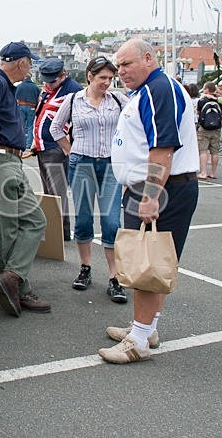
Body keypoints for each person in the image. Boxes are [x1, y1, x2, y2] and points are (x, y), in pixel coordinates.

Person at [101, 38, 199, 364]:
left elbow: (162, 149)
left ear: (148, 57)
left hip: (161, 188)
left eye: (127, 64)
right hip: (154, 187)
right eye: (119, 66)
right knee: (150, 262)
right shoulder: (148, 90)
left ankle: (139, 339)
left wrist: (150, 197)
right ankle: (146, 328)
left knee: (148, 264)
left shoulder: (159, 89)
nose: (121, 71)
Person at [0, 41, 50, 317]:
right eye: (30, 65)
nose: (30, 72)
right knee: (9, 231)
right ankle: (19, 285)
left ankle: (14, 279)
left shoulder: (2, 83)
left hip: (5, 161)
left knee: (32, 221)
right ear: (22, 63)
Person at [49, 57, 129, 303]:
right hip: (82, 163)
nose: (107, 82)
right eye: (103, 78)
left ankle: (115, 277)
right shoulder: (73, 100)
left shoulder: (118, 100)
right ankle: (85, 268)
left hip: (110, 165)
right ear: (90, 76)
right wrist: (69, 150)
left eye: (110, 78)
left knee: (112, 221)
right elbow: (55, 128)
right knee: (83, 218)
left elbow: (134, 125)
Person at [32, 58, 81, 241]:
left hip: (56, 147)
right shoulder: (48, 89)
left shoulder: (74, 90)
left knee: (57, 193)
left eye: (52, 80)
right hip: (43, 146)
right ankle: (54, 229)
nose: (48, 84)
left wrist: (69, 147)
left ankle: (61, 232)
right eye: (45, 80)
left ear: (63, 75)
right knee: (48, 192)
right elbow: (41, 114)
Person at [197, 81, 221, 179]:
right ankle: (213, 173)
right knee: (214, 151)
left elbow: (198, 112)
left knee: (203, 150)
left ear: (206, 89)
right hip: (216, 128)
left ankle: (203, 172)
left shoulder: (202, 101)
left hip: (204, 128)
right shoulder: (218, 100)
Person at [15, 74, 39, 148]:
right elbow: (39, 98)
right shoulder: (36, 87)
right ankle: (28, 144)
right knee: (30, 126)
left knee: (21, 125)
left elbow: (15, 97)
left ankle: (21, 142)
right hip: (31, 107)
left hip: (21, 107)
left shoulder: (19, 86)